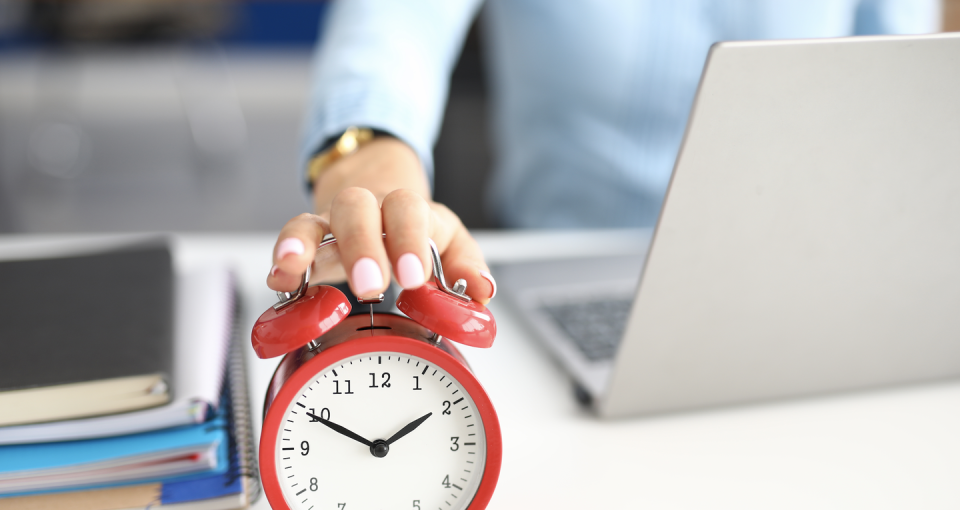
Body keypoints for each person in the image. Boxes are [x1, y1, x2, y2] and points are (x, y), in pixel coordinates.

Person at [266, 0, 939, 302]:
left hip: (802, 284)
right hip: (556, 270)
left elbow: (905, 97)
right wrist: (376, 177)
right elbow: (389, 34)